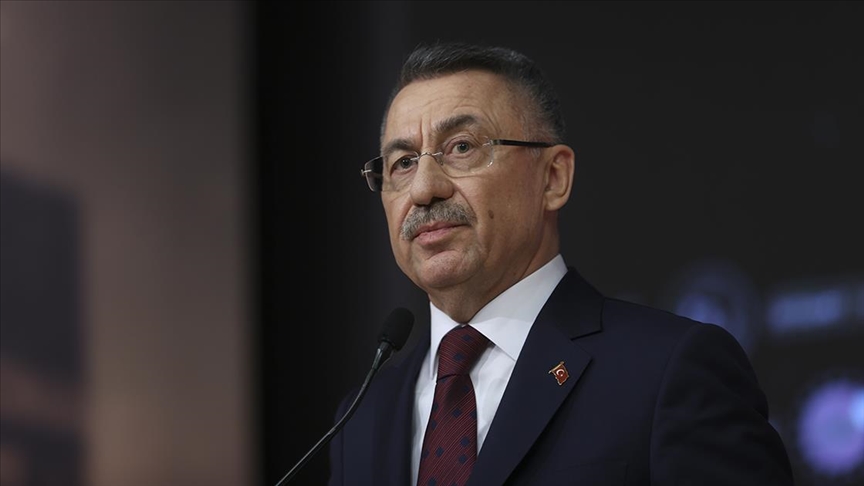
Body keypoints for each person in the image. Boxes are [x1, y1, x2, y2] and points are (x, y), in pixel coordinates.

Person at [328, 41, 794, 486]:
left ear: (553, 178)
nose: (424, 189)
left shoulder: (668, 370)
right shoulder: (362, 418)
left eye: (462, 147)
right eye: (403, 163)